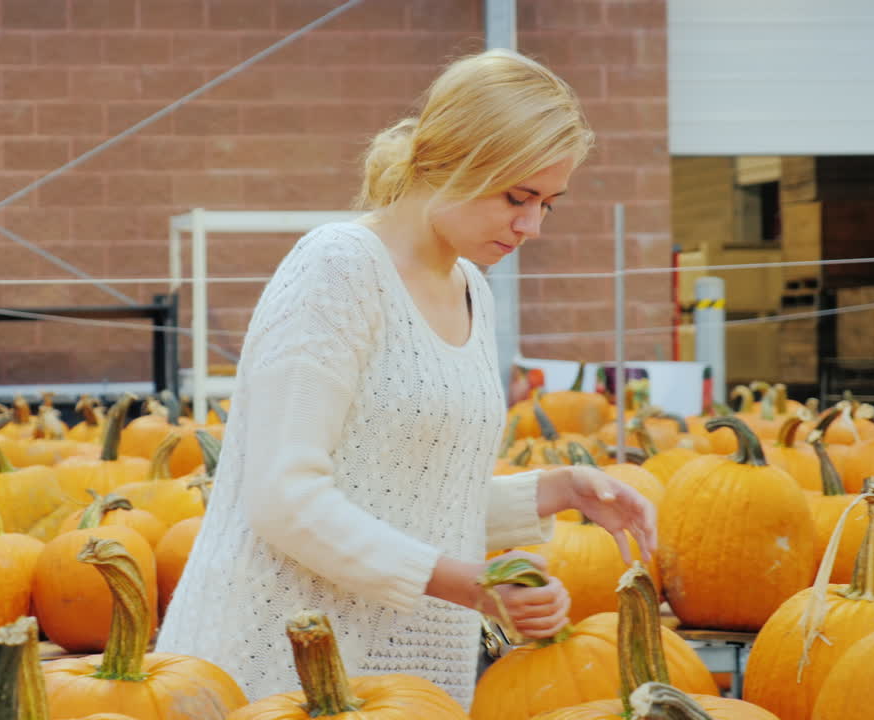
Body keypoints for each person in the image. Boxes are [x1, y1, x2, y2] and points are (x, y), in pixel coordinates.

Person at [155, 48, 658, 709]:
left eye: (548, 205)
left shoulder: (473, 289)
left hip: (405, 684)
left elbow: (407, 499)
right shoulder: (338, 268)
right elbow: (284, 498)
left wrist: (558, 489)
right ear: (453, 158)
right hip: (273, 670)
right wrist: (471, 585)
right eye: (518, 197)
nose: (531, 226)